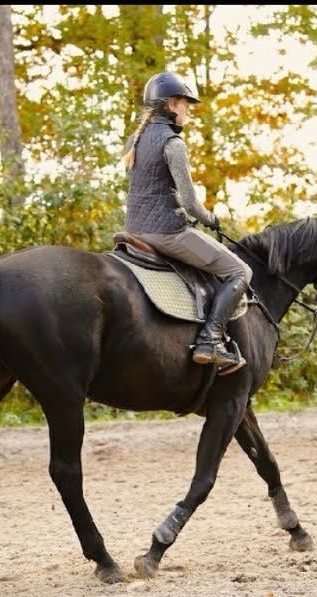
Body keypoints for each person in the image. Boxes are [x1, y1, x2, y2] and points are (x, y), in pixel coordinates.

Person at [121, 71, 252, 375]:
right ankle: (211, 340)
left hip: (134, 230)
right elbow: (191, 203)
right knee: (240, 271)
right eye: (186, 105)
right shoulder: (173, 143)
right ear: (171, 105)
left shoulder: (134, 139)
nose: (188, 111)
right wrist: (211, 219)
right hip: (167, 232)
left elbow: (150, 188)